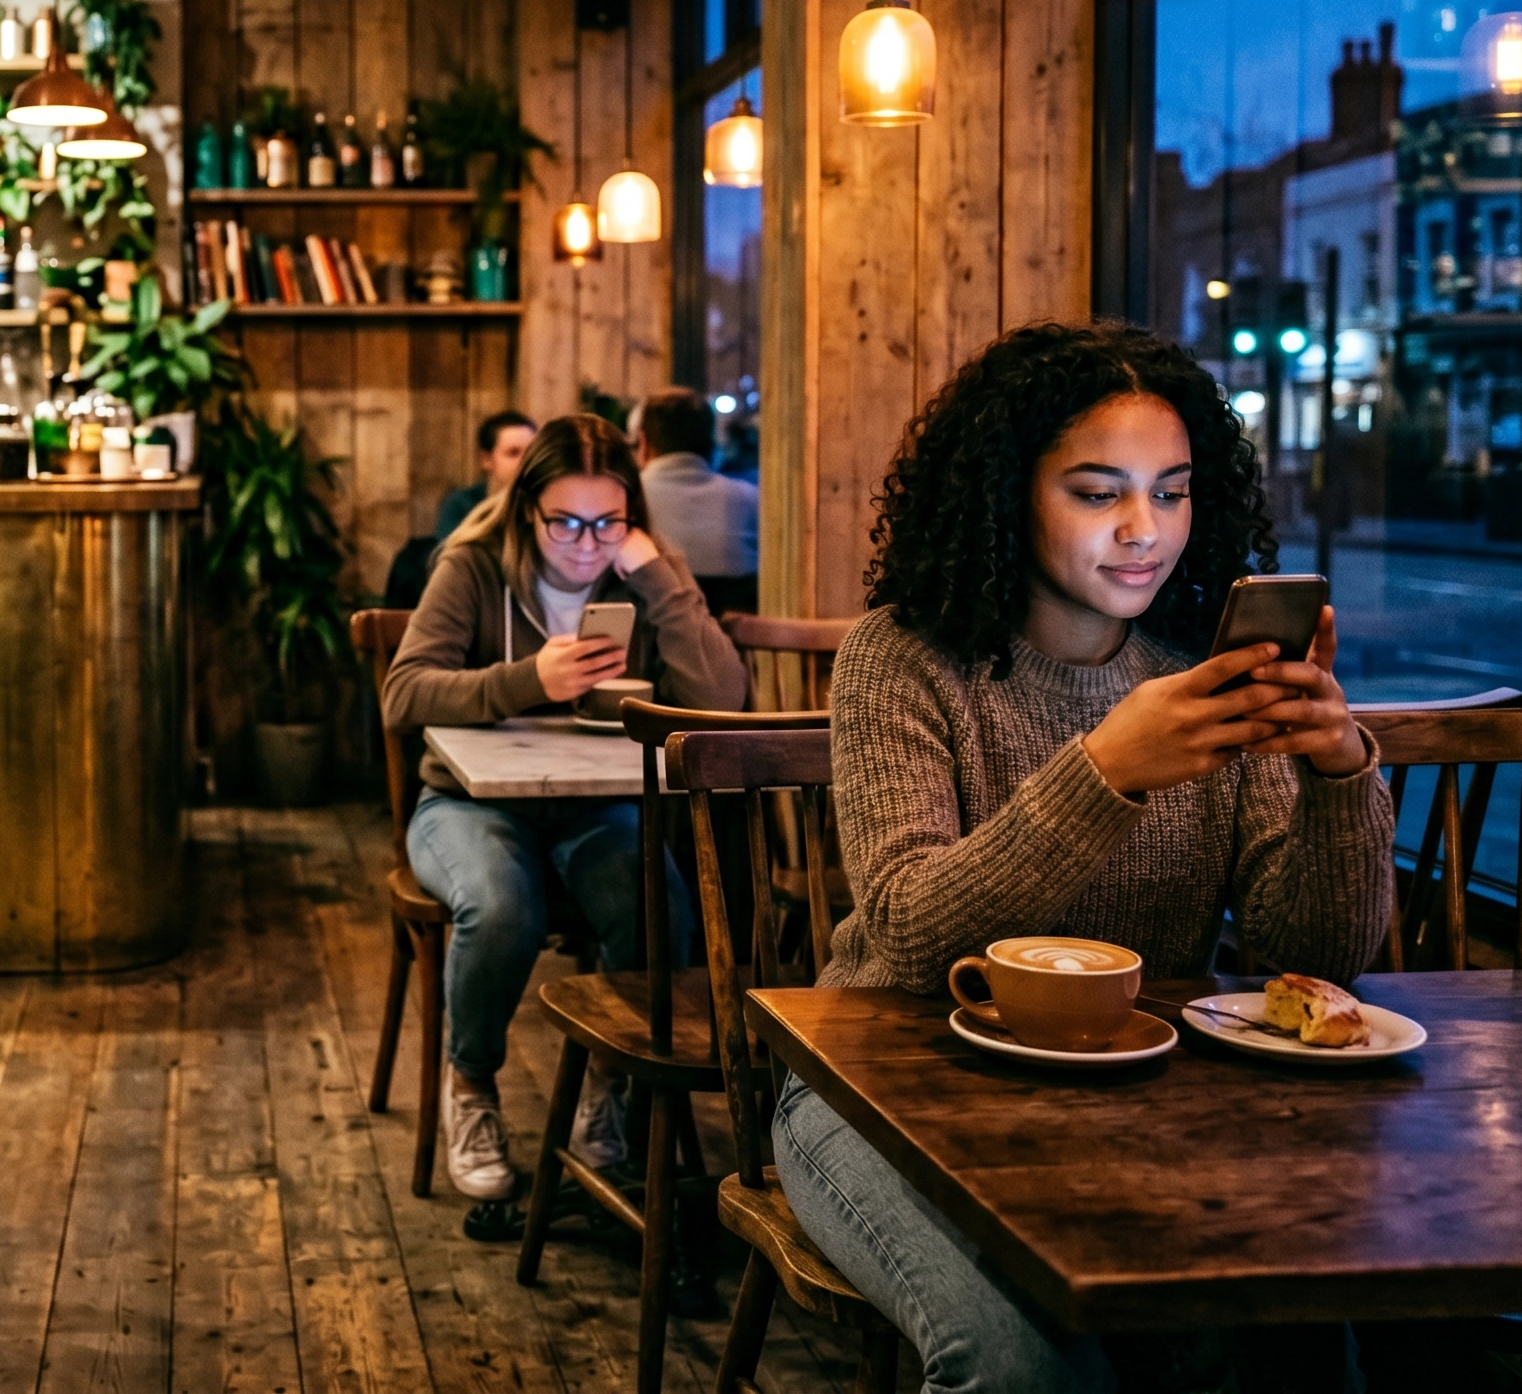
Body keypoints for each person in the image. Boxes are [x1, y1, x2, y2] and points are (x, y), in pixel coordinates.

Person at [776, 322, 1393, 1393]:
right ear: (1009, 492)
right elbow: (911, 933)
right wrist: (1106, 768)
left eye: (1170, 490)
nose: (1141, 530)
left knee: (1294, 1333)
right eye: (1097, 491)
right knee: (1025, 1369)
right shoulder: (902, 657)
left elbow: (1315, 954)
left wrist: (1339, 772)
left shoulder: (1199, 669)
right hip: (874, 1088)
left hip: (1133, 1100)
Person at [382, 414, 749, 1198]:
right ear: (527, 510)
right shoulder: (476, 567)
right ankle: (472, 1086)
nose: (587, 542)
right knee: (498, 904)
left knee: (658, 901)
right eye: (566, 522)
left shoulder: (643, 573)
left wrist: (656, 574)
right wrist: (528, 682)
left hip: (597, 803)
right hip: (468, 803)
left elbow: (723, 697)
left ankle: (604, 1093)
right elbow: (403, 692)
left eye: (608, 521)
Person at [633, 387, 759, 613]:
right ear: (712, 445)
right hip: (741, 644)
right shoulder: (751, 501)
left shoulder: (625, 501)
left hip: (655, 642)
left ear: (643, 442)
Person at [433, 409, 538, 540]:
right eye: (513, 453)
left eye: (531, 452)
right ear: (486, 460)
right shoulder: (461, 505)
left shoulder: (543, 501)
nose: (525, 460)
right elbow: (450, 554)